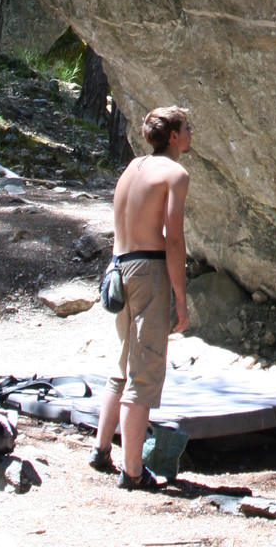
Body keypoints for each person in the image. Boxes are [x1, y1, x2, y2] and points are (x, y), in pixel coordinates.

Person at [90, 105, 192, 490]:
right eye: (187, 127)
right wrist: (179, 297)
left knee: (123, 363)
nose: (191, 133)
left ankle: (101, 449)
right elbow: (174, 239)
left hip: (118, 268)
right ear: (173, 137)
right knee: (145, 370)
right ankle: (133, 471)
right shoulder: (175, 174)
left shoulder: (132, 169)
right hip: (149, 270)